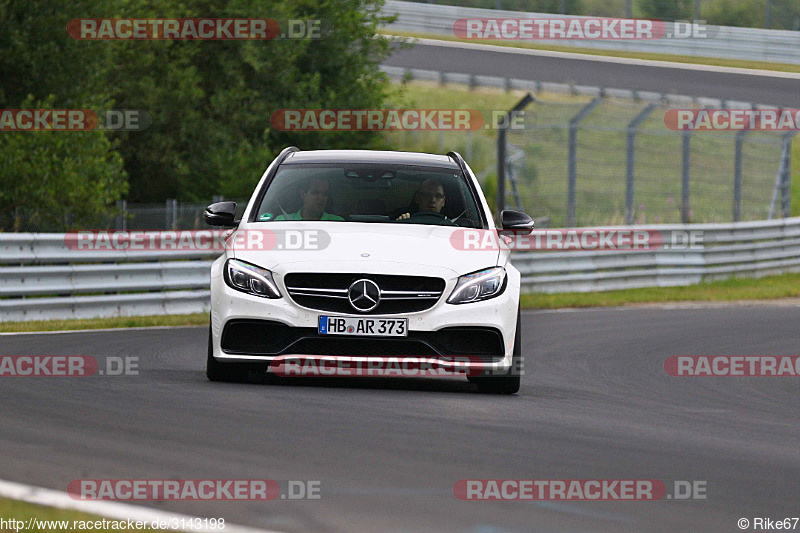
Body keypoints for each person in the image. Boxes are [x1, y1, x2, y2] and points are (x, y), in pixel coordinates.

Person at [273, 177, 344, 221]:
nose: (321, 198)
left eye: (325, 194)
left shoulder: (337, 221)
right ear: (303, 194)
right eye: (315, 192)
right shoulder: (283, 220)